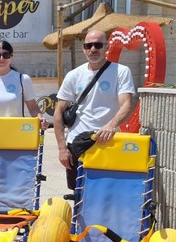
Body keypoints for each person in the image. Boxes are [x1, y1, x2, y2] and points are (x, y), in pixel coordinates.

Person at [54, 29, 135, 189]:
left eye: (97, 45)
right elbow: (58, 112)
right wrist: (62, 148)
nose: (93, 49)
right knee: (78, 193)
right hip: (77, 143)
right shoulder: (74, 75)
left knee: (106, 192)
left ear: (106, 47)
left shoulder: (121, 71)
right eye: (88, 45)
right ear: (83, 48)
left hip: (108, 142)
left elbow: (126, 105)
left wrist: (111, 125)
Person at [0, 40, 48, 130]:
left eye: (6, 55)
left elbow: (33, 107)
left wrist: (41, 120)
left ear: (11, 56)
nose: (1, 59)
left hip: (16, 133)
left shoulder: (23, 79)